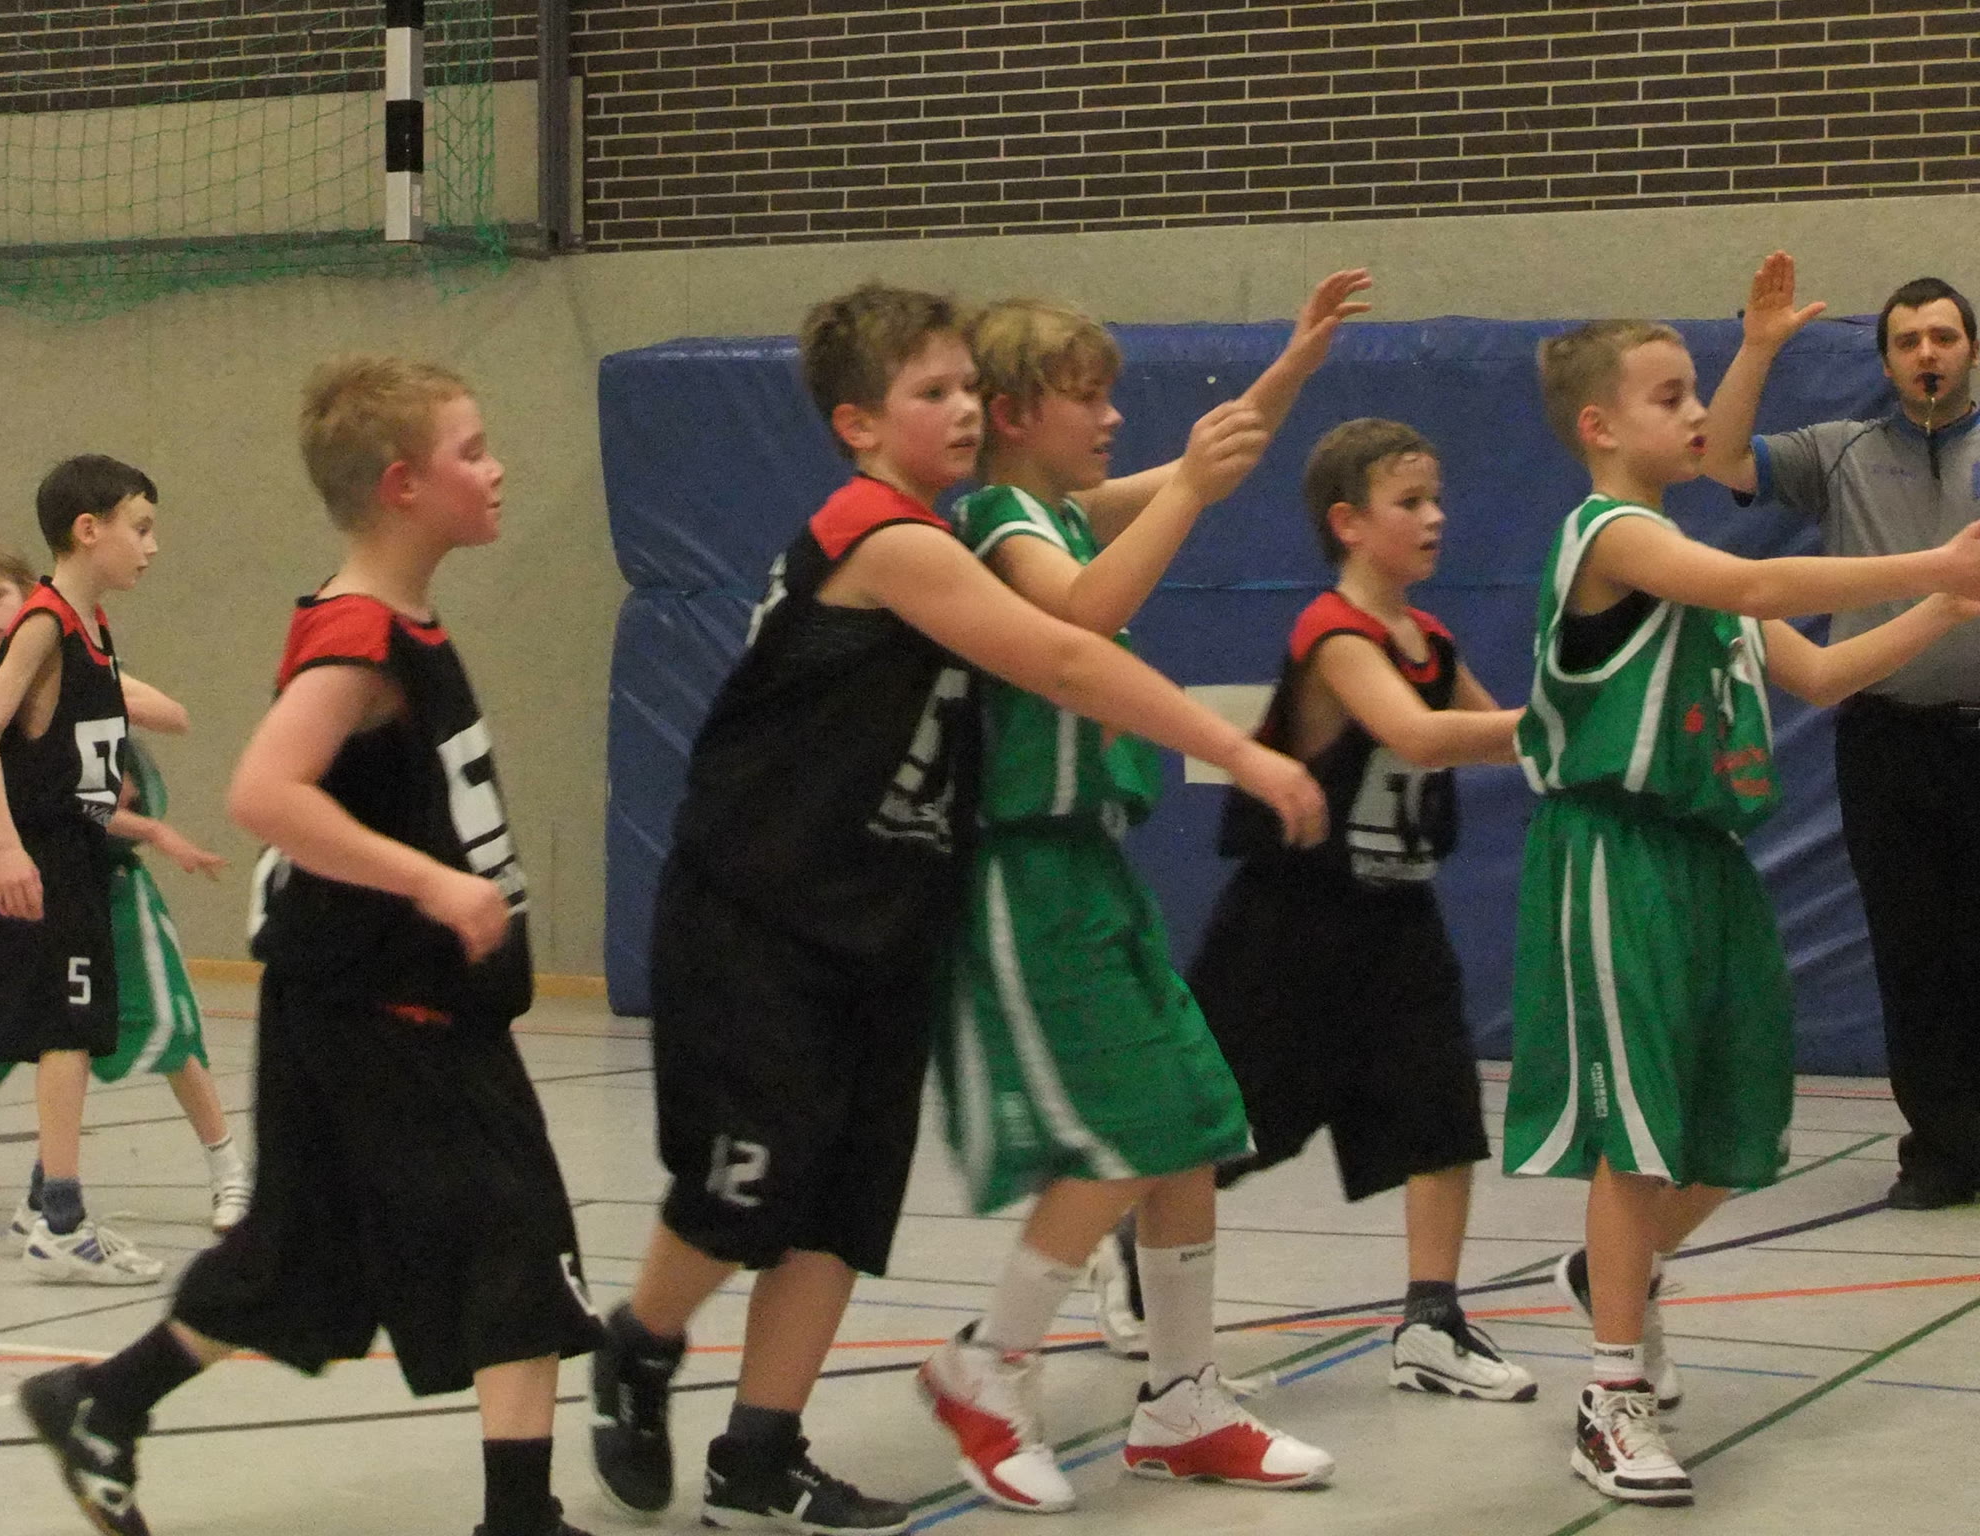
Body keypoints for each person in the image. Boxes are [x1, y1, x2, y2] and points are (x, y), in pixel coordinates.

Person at [587, 281, 1325, 1536]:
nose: (965, 409)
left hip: (881, 907)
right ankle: (641, 1343)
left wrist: (1279, 378)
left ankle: (758, 1454)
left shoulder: (970, 524)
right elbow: (1071, 652)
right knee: (747, 1189)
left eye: (969, 387)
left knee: (842, 1210)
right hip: (762, 907)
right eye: (932, 392)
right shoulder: (889, 537)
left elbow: (1143, 494)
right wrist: (1240, 751)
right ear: (856, 424)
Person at [17, 358, 606, 1536]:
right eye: (473, 451)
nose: (497, 469)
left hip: (366, 1002)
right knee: (517, 1243)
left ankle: (102, 1403)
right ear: (401, 486)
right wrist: (433, 881)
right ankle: (519, 1520)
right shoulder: (357, 637)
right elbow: (263, 791)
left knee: (299, 1258)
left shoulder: (400, 622)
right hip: (387, 1013)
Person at [1505, 318, 1980, 1506]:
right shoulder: (1610, 537)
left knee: (1737, 1121)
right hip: (1614, 849)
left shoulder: (1684, 567)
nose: (1695, 413)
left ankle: (1606, 1275)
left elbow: (1820, 672)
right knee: (1637, 1132)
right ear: (1597, 426)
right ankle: (1609, 1396)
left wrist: (1949, 604)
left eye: (1693, 392)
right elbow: (1761, 580)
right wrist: (1930, 561)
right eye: (1668, 396)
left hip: (1709, 858)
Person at [915, 276, 1365, 1513]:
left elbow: (1201, 467)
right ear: (1014, 413)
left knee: (1190, 1120)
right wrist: (1184, 491)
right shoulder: (997, 521)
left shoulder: (1054, 508)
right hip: (1020, 873)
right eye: (1088, 397)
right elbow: (1084, 611)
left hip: (1090, 865)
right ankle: (984, 1366)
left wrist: (1290, 367)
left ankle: (1180, 1403)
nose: (1113, 418)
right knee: (1121, 1133)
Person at [1186, 417, 1534, 1406]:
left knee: (1443, 1113)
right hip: (1289, 920)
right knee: (1234, 1129)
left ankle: (1430, 1321)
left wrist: (1587, 719)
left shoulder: (1433, 641)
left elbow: (1501, 736)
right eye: (1409, 502)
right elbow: (1418, 736)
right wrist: (1564, 716)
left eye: (1436, 499)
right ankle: (1130, 1249)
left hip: (1396, 914)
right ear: (1348, 523)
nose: (1434, 518)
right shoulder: (1332, 633)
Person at [1704, 253, 1980, 1211]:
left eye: (1943, 336)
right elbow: (1721, 458)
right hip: (1889, 740)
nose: (1926, 352)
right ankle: (1942, 1149)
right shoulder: (1841, 449)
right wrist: (1756, 348)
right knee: (1912, 949)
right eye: (1907, 341)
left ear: (1970, 350)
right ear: (1887, 361)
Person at [0, 536, 248, 1235]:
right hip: (19, 879)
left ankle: (227, 1167)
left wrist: (94, 687)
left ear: (31, 598)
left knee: (167, 1031)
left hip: (101, 881)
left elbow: (173, 715)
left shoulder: (80, 659)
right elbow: (46, 791)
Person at [0, 460, 178, 1286]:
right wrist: (8, 846)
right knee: (65, 1034)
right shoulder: (44, 622)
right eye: (140, 527)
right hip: (42, 854)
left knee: (76, 1034)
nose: (151, 545)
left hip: (81, 853)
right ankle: (61, 1223)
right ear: (89, 529)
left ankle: (44, 1204)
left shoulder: (92, 625)